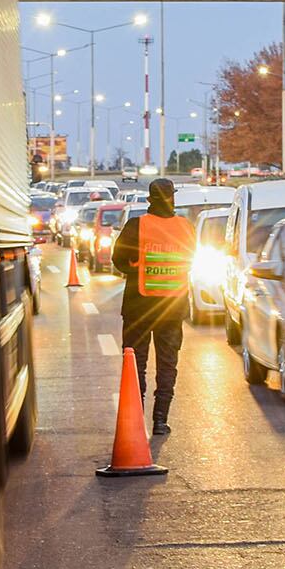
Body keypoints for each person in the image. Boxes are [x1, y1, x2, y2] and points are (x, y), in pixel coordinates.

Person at [110, 177, 196, 435]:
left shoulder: (136, 226)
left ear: (150, 199)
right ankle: (160, 421)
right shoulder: (186, 228)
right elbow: (190, 259)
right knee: (167, 365)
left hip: (139, 307)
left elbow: (118, 260)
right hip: (172, 308)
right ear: (173, 198)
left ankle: (136, 420)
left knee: (136, 365)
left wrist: (135, 269)